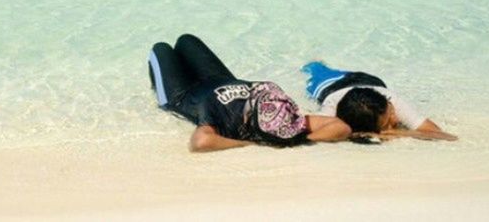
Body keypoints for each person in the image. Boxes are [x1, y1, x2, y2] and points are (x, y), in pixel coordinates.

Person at [148, 34, 351, 152]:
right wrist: (303, 139)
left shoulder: (228, 120)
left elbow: (200, 142)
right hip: (222, 79)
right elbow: (340, 126)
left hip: (182, 95)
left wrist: (248, 144)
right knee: (186, 40)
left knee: (160, 49)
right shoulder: (288, 120)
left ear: (248, 119)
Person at [302, 61, 457, 141]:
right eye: (388, 122)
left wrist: (397, 132)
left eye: (391, 113)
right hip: (329, 86)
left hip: (369, 81)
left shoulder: (391, 101)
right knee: (314, 68)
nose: (395, 118)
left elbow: (445, 136)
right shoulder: (330, 111)